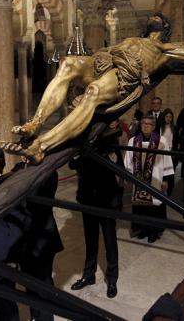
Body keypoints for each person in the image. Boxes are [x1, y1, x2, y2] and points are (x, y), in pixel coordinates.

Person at [0, 12, 184, 163]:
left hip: (124, 74)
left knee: (94, 93)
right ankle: (35, 123)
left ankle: (41, 146)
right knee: (70, 63)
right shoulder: (131, 38)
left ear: (165, 28)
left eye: (159, 19)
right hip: (105, 60)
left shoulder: (167, 50)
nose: (154, 18)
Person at [0, 144, 62, 321]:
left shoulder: (46, 173)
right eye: (26, 153)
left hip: (39, 241)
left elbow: (33, 207)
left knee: (42, 292)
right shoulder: (16, 173)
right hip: (17, 246)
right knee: (27, 293)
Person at [69, 122, 123, 298]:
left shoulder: (110, 140)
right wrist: (79, 155)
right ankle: (88, 275)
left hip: (106, 199)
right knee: (90, 239)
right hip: (88, 198)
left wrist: (112, 157)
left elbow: (119, 168)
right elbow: (72, 165)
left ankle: (112, 278)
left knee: (109, 241)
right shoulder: (83, 141)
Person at [124, 115, 175, 243]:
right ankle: (142, 229)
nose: (146, 126)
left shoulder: (161, 140)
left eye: (149, 124)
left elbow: (167, 160)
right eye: (143, 123)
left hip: (156, 179)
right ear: (140, 126)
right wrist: (131, 176)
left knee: (154, 207)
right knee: (141, 207)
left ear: (153, 127)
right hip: (139, 180)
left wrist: (166, 179)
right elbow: (128, 161)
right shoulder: (133, 141)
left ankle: (154, 231)